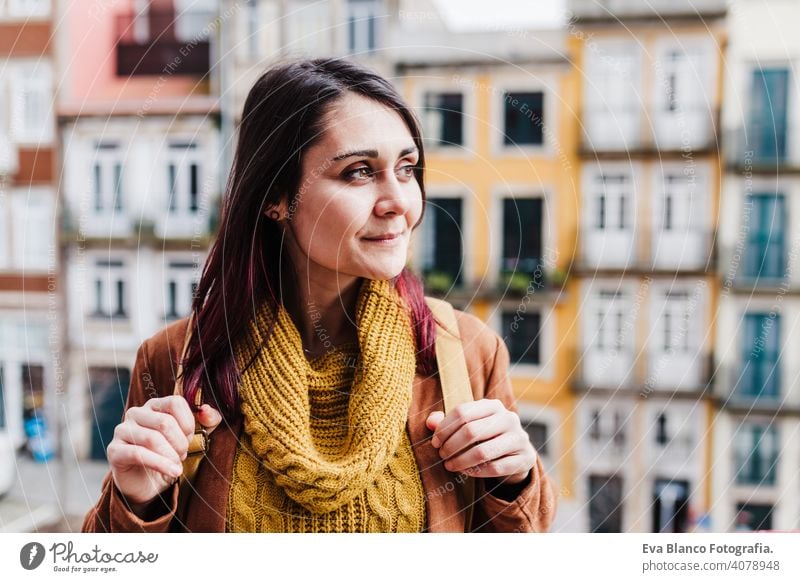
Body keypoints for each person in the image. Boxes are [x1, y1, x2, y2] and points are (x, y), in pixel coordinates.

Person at [82, 58, 557, 533]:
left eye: (407, 168)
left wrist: (515, 478)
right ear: (276, 197)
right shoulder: (176, 361)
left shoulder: (467, 352)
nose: (399, 202)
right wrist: (135, 500)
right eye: (358, 172)